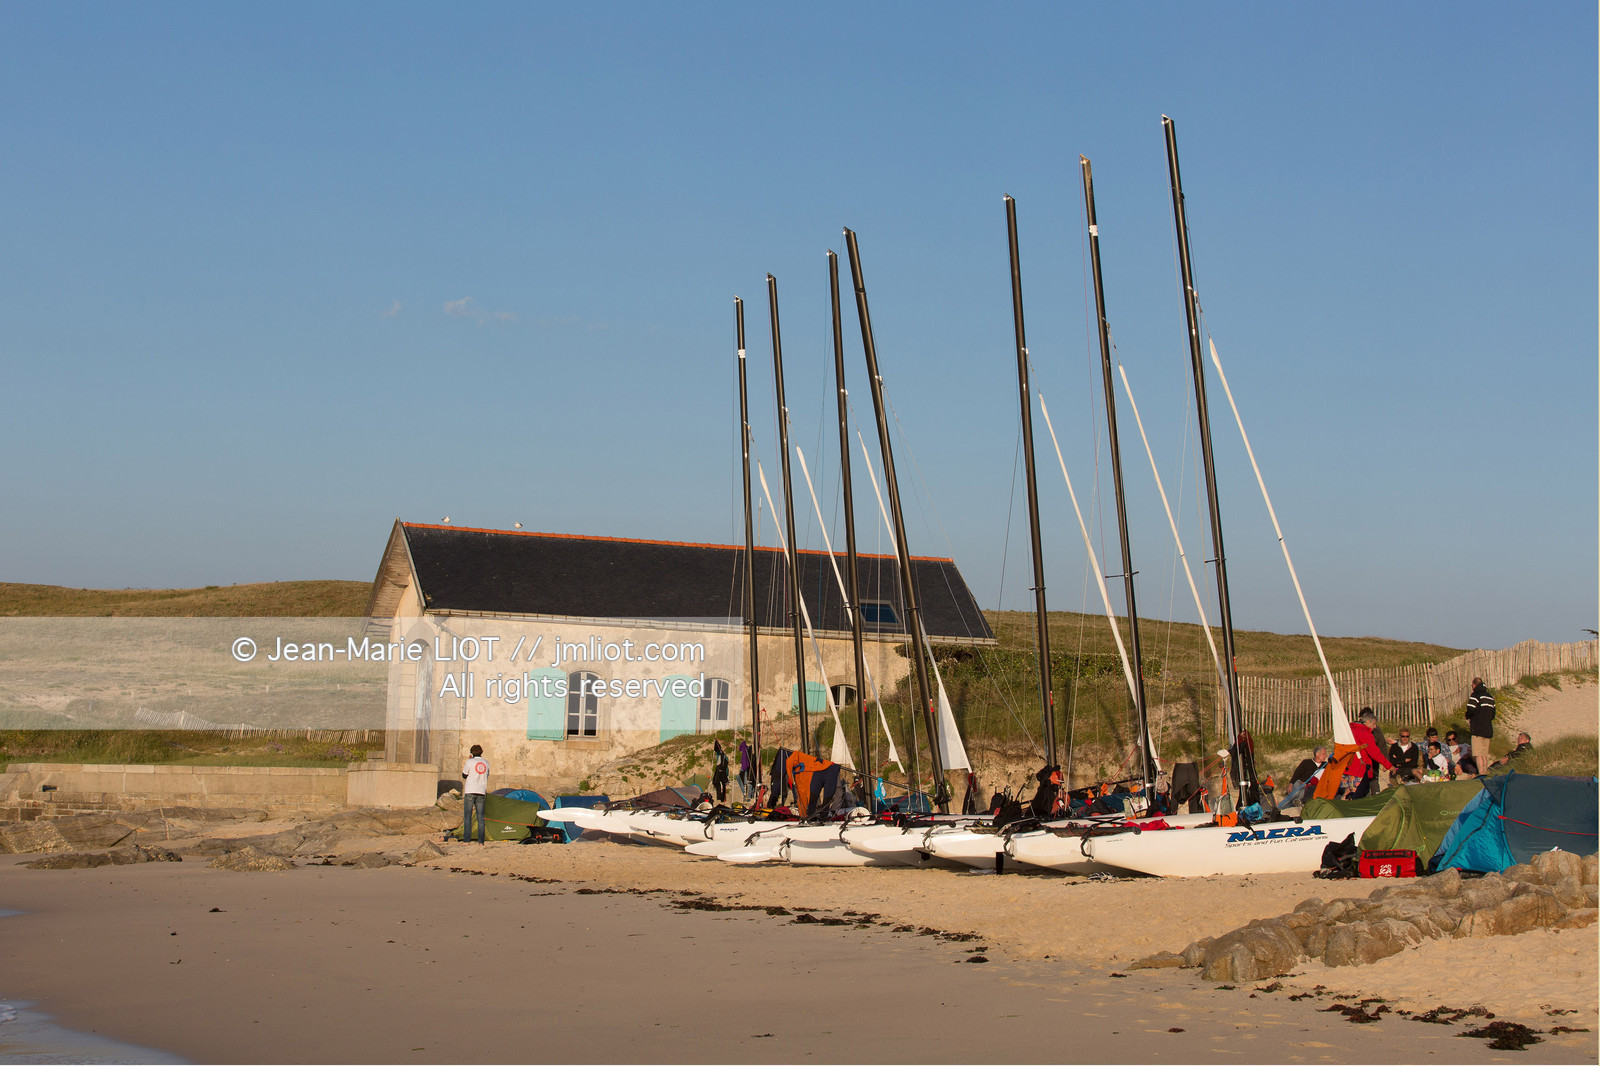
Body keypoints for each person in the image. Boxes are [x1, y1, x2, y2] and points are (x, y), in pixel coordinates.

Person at [460, 743, 489, 844]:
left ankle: (466, 840)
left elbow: (464, 775)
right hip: (481, 791)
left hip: (470, 790)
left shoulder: (469, 762)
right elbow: (486, 775)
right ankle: (481, 841)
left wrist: (470, 760)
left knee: (468, 816)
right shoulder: (486, 762)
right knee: (481, 817)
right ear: (481, 752)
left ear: (472, 753)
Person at [1466, 678, 1496, 770]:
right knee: (1484, 755)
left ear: (1474, 685)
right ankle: (1485, 772)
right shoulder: (1490, 697)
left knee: (1478, 755)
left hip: (1477, 729)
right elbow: (1493, 714)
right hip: (1488, 729)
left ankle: (1481, 773)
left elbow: (1470, 709)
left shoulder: (1475, 696)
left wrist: (1468, 717)